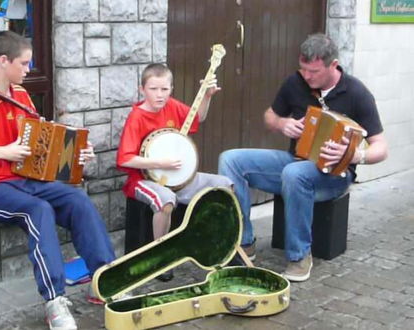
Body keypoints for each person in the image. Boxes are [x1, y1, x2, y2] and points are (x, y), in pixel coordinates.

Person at [0, 30, 115, 330]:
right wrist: (4, 151)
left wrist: (76, 155)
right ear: (3, 62)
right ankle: (54, 301)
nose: (28, 69)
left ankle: (105, 280)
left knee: (76, 198)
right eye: (23, 64)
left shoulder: (22, 95)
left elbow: (42, 144)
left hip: (25, 180)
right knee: (39, 210)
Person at [218, 33, 388, 282]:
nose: (307, 76)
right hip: (294, 162)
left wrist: (354, 154)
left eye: (314, 71)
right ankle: (244, 243)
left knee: (294, 173)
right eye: (303, 69)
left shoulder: (357, 93)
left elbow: (381, 147)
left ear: (334, 65)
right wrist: (282, 123)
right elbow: (269, 116)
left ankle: (299, 256)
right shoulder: (294, 83)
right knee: (230, 159)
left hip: (333, 175)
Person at [117, 63, 232, 281]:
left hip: (180, 178)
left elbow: (198, 118)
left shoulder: (172, 106)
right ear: (142, 89)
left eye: (164, 89)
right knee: (166, 201)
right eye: (153, 89)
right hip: (143, 180)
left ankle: (216, 245)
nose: (159, 95)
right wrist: (160, 163)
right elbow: (125, 158)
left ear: (171, 89)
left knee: (225, 185)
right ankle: (161, 257)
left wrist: (207, 96)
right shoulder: (137, 117)